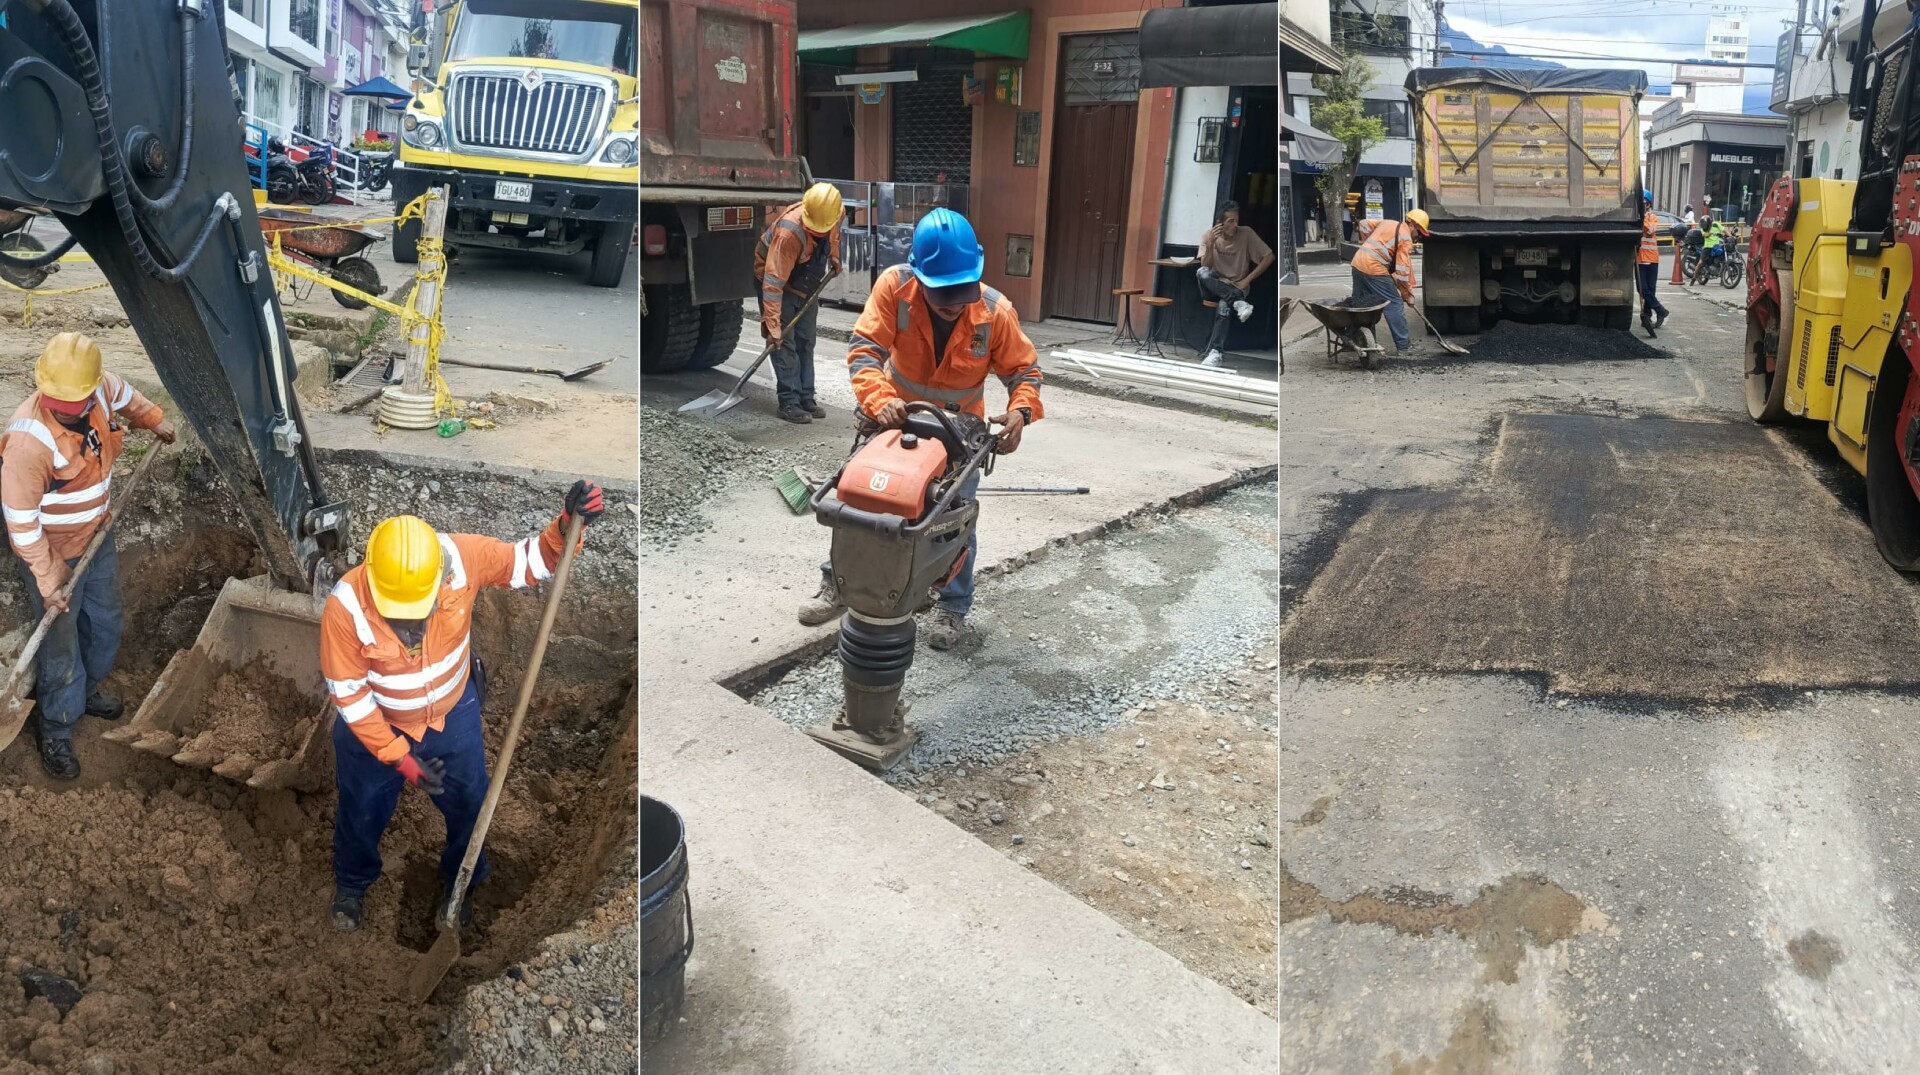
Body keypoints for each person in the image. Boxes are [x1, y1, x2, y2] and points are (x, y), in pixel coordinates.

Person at [320, 480, 606, 933]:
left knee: (470, 802)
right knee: (361, 807)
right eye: (397, 615)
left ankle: (463, 881)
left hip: (451, 714)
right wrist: (400, 759)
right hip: (376, 726)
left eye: (417, 613)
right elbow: (350, 698)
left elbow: (530, 561)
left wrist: (567, 525)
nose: (408, 628)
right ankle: (353, 884)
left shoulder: (463, 558)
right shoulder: (347, 606)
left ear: (438, 579)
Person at [796, 208, 1043, 650]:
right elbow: (865, 349)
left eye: (960, 291)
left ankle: (952, 608)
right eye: (942, 292)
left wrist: (1019, 413)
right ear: (920, 276)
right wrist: (879, 400)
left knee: (954, 521)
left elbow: (1025, 372)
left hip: (958, 433)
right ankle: (840, 583)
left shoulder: (994, 312)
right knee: (861, 504)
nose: (953, 301)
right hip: (896, 417)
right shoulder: (895, 287)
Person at [1, 333, 177, 779]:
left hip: (98, 534)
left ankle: (88, 691)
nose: (65, 405)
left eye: (75, 399)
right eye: (56, 398)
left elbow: (125, 394)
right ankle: (57, 729)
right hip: (53, 548)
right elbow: (21, 524)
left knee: (105, 620)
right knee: (59, 645)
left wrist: (152, 417)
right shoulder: (28, 443)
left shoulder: (96, 388)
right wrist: (48, 576)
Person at [754, 182, 844, 424]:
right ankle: (789, 401)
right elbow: (772, 284)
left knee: (807, 340)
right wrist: (772, 327)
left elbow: (834, 233)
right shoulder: (789, 233)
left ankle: (806, 397)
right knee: (785, 343)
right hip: (778, 286)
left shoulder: (834, 213)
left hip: (807, 284)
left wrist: (834, 255)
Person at [1194, 202, 1274, 368]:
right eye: (1230, 221)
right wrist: (1210, 245)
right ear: (1219, 223)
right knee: (1201, 273)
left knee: (1224, 304)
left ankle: (1216, 352)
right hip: (1213, 286)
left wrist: (1246, 280)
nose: (1235, 225)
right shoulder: (1208, 236)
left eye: (1236, 220)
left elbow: (1269, 257)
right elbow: (1206, 266)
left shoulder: (1246, 233)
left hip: (1236, 286)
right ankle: (1238, 303)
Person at [1349, 208, 1430, 353]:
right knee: (1395, 304)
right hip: (1374, 268)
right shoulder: (1405, 238)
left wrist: (1369, 245)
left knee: (1363, 306)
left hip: (1357, 262)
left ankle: (1362, 341)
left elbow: (1364, 224)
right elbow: (1402, 272)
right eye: (1419, 232)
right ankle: (1404, 347)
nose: (1418, 237)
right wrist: (1407, 295)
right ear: (1412, 225)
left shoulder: (1388, 223)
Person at [1637, 190, 1669, 337]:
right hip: (1640, 259)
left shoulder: (1653, 217)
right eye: (1641, 203)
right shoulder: (1636, 218)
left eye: (1644, 203)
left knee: (1651, 289)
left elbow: (1650, 230)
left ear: (1648, 204)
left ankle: (1648, 316)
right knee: (1644, 289)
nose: (1643, 205)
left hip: (1652, 258)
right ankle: (1660, 310)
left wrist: (1641, 218)